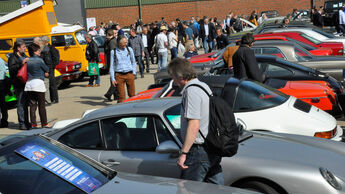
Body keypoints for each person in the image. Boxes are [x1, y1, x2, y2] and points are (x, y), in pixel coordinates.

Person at [167, 58, 224, 185]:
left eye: (173, 78)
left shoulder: (191, 92)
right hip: (211, 146)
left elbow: (194, 124)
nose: (174, 82)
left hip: (198, 151)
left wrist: (184, 153)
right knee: (216, 189)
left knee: (189, 188)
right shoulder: (203, 86)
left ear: (180, 77)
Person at [25, 43, 50, 128]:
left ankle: (33, 123)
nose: (40, 51)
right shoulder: (39, 60)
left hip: (29, 84)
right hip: (38, 83)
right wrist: (45, 72)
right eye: (38, 50)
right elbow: (46, 69)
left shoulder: (27, 60)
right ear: (35, 52)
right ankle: (44, 123)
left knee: (32, 105)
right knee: (41, 105)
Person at [8, 39, 30, 130]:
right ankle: (22, 123)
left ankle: (26, 122)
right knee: (21, 103)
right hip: (18, 84)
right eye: (23, 47)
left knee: (26, 104)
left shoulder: (24, 55)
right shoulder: (12, 57)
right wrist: (21, 63)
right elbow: (12, 69)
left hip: (26, 83)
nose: (25, 48)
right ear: (18, 48)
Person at [109, 35, 136, 103]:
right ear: (119, 43)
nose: (126, 44)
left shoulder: (129, 49)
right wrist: (113, 78)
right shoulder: (113, 52)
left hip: (129, 74)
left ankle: (133, 109)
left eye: (126, 42)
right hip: (119, 75)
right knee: (121, 96)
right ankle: (122, 110)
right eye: (124, 43)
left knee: (132, 94)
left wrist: (134, 73)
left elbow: (133, 62)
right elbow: (112, 66)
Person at [40, 36, 59, 104]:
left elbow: (55, 59)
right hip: (48, 67)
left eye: (42, 41)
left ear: (45, 41)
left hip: (50, 68)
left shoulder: (50, 49)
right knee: (49, 83)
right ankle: (52, 98)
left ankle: (55, 99)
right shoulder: (45, 48)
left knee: (52, 83)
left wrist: (52, 67)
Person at [104, 29, 118, 102]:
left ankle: (115, 96)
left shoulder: (110, 41)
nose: (116, 34)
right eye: (115, 33)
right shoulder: (111, 41)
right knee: (114, 79)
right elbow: (113, 53)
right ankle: (109, 94)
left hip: (111, 61)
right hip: (112, 62)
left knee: (114, 78)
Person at [0, 58, 8, 128]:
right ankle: (4, 121)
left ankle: (4, 121)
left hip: (0, 82)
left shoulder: (0, 61)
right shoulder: (1, 60)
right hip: (1, 83)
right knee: (3, 104)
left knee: (2, 104)